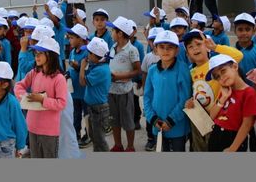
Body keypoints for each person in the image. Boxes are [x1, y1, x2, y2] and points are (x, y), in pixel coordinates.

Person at [184, 30, 243, 152]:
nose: (195, 49)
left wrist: (215, 47)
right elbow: (192, 92)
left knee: (216, 147)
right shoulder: (190, 72)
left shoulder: (215, 65)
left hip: (220, 116)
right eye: (190, 47)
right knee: (199, 147)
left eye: (199, 44)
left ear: (206, 46)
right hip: (200, 117)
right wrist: (189, 102)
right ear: (187, 53)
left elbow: (238, 56)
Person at [14, 37, 68, 158]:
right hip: (32, 126)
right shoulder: (34, 73)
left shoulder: (59, 78)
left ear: (51, 55)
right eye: (35, 53)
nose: (36, 57)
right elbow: (18, 85)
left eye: (40, 54)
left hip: (49, 130)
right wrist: (24, 96)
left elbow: (61, 103)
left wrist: (42, 100)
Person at [144, 31, 192, 152]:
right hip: (157, 123)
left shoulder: (183, 68)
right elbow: (147, 97)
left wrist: (171, 120)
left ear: (177, 50)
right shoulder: (152, 70)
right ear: (155, 49)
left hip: (177, 125)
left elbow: (185, 98)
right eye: (162, 47)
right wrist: (152, 118)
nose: (165, 51)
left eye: (170, 47)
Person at [204, 54, 256, 152]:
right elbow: (211, 116)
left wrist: (232, 149)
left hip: (234, 138)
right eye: (217, 77)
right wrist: (223, 99)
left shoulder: (249, 93)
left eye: (223, 71)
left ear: (235, 66)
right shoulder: (226, 91)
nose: (222, 77)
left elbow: (247, 124)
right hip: (216, 133)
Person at [106, 16, 141, 152]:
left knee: (127, 121)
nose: (111, 33)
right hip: (111, 90)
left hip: (125, 91)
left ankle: (130, 146)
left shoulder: (132, 50)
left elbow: (137, 70)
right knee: (114, 120)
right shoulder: (113, 47)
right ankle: (118, 144)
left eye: (113, 30)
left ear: (120, 33)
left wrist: (120, 76)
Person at [79, 37, 113, 152]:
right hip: (94, 108)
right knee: (94, 137)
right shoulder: (98, 66)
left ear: (95, 56)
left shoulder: (101, 70)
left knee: (100, 140)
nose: (87, 55)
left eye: (89, 53)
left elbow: (82, 82)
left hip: (99, 109)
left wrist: (82, 67)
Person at [66, 24, 91, 148]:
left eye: (72, 38)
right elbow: (71, 68)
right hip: (74, 90)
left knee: (87, 114)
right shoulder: (72, 52)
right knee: (75, 114)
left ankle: (88, 135)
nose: (69, 40)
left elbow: (87, 69)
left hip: (84, 91)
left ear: (80, 39)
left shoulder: (87, 52)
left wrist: (77, 66)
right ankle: (75, 134)